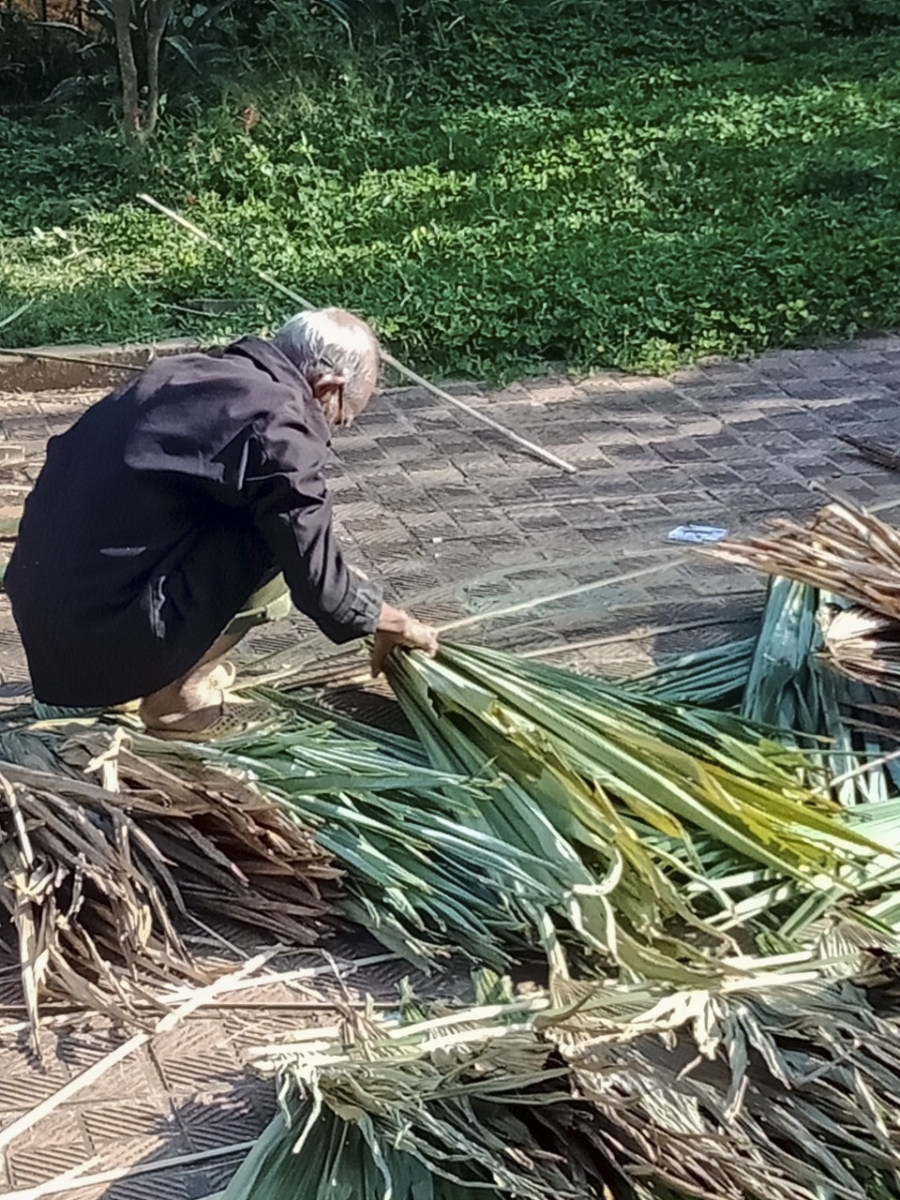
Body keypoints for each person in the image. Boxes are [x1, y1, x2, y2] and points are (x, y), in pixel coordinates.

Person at [5, 308, 438, 740]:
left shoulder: (186, 373)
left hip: (53, 620)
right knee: (272, 534)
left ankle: (148, 672)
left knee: (273, 514)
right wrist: (397, 624)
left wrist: (347, 582)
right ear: (328, 387)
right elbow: (323, 590)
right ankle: (177, 698)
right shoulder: (278, 426)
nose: (332, 430)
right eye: (340, 418)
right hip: (100, 645)